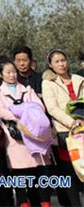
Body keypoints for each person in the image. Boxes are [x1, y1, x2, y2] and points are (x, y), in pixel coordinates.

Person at [0, 58, 53, 207]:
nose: (12, 75)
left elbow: (39, 106)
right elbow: (1, 111)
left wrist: (25, 116)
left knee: (40, 175)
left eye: (14, 72)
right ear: (1, 74)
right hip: (16, 138)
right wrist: (18, 118)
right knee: (20, 177)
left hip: (34, 135)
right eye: (8, 72)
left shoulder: (27, 89)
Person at [41, 49, 84, 207]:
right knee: (69, 173)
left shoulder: (79, 79)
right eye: (57, 61)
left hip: (83, 129)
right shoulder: (49, 83)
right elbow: (52, 108)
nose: (61, 64)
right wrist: (72, 122)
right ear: (50, 65)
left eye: (63, 60)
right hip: (65, 132)